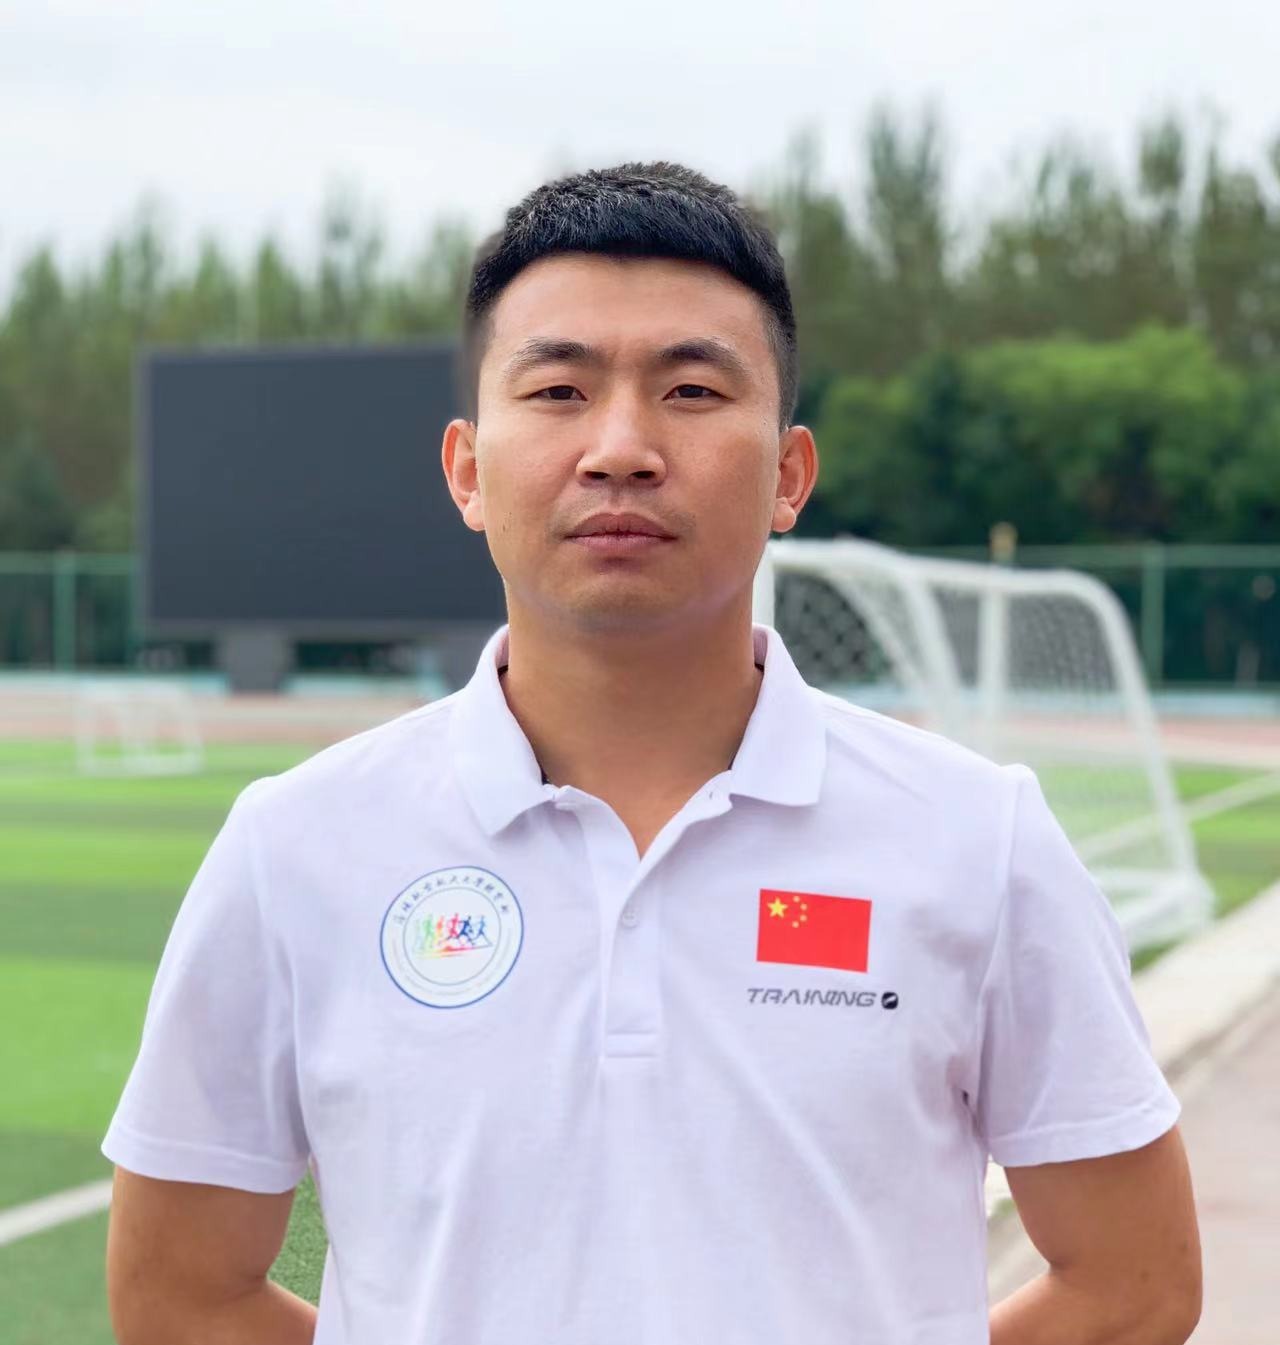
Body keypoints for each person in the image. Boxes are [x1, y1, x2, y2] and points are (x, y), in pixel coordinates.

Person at [102, 161, 1202, 1344]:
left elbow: (1133, 1283)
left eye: (689, 390)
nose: (620, 448)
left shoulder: (977, 837)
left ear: (787, 475)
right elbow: (178, 1292)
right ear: (466, 470)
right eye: (559, 390)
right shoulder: (295, 846)